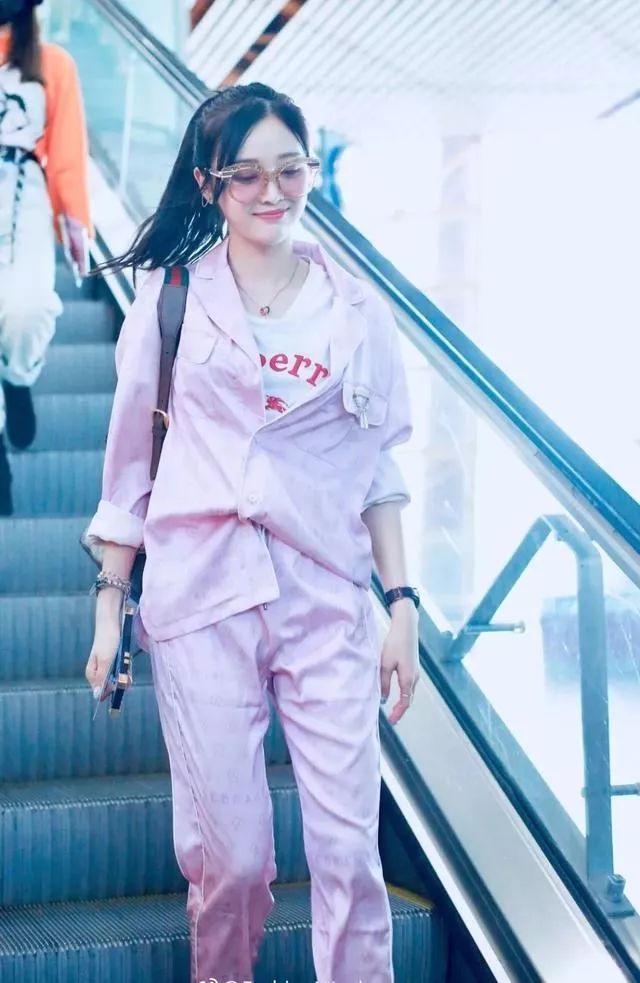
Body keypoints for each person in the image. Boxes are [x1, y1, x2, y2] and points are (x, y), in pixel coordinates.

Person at [84, 83, 420, 983]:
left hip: (326, 596)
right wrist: (110, 604)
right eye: (247, 175)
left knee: (350, 857)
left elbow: (378, 467)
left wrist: (401, 603)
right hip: (203, 595)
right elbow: (129, 464)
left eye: (290, 170)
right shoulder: (171, 299)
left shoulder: (359, 313)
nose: (273, 192)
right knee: (232, 862)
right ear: (209, 183)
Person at [0, 0, 91, 514]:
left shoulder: (53, 63)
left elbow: (67, 154)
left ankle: (18, 378)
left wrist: (74, 221)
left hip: (25, 194)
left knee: (28, 309)